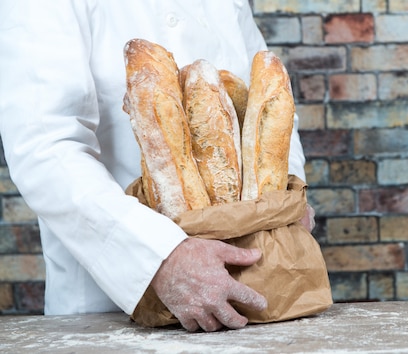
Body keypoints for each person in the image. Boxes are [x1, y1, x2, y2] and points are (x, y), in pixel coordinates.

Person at [0, 1, 314, 332]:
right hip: (113, 309)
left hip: (257, 290)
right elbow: (45, 146)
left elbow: (266, 109)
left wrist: (289, 203)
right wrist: (159, 257)